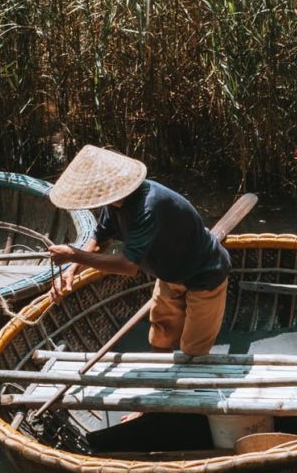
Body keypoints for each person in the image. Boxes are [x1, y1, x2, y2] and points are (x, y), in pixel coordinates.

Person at [46, 145, 229, 357]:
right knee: (160, 337)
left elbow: (128, 266)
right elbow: (100, 239)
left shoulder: (148, 206)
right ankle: (159, 379)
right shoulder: (114, 204)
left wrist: (74, 254)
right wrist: (71, 270)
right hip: (169, 274)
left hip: (204, 276)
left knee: (192, 352)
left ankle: (186, 383)